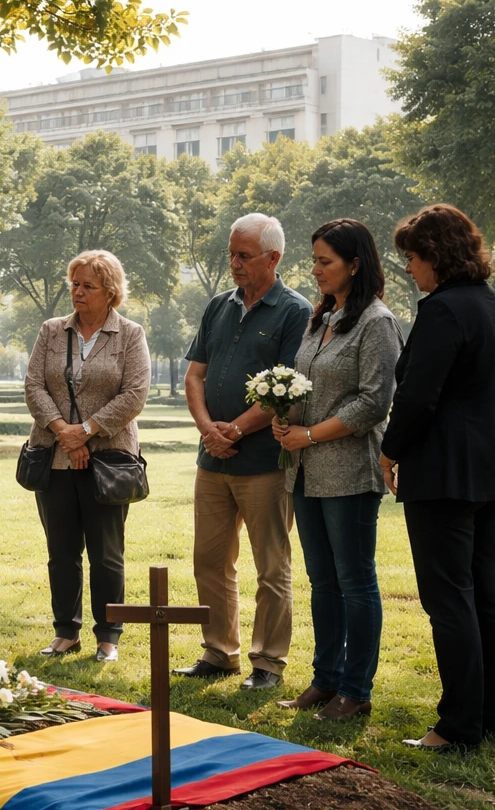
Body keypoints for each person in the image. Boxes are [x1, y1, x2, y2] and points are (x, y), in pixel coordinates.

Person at [379, 204, 495, 753]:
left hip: (445, 471)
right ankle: (490, 718)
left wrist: (390, 450)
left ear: (436, 256)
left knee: (449, 599)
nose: (410, 270)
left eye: (413, 259)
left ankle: (458, 725)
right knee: (487, 590)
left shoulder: (442, 311)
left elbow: (419, 395)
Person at [272, 219, 403, 721]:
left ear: (355, 263)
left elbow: (374, 401)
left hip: (348, 472)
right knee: (321, 580)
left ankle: (355, 689)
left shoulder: (377, 322)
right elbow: (305, 383)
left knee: (354, 581)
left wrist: (310, 433)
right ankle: (324, 681)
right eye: (314, 260)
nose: (316, 270)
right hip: (303, 471)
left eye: (325, 261)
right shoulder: (321, 316)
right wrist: (287, 420)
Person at [175, 213, 311, 689]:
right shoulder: (218, 306)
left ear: (274, 258)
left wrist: (232, 429)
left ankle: (268, 663)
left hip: (264, 463)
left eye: (244, 256)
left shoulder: (296, 312)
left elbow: (290, 388)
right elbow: (195, 374)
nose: (234, 263)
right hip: (211, 460)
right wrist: (207, 429)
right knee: (210, 560)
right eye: (231, 254)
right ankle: (219, 652)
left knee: (271, 566)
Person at [24, 250, 150, 662]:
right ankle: (66, 632)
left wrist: (87, 431)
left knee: (106, 552)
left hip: (109, 462)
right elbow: (34, 386)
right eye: (74, 283)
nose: (77, 292)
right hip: (55, 456)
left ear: (110, 292)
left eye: (87, 286)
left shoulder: (130, 334)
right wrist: (64, 433)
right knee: (61, 551)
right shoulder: (51, 330)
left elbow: (134, 394)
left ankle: (108, 636)